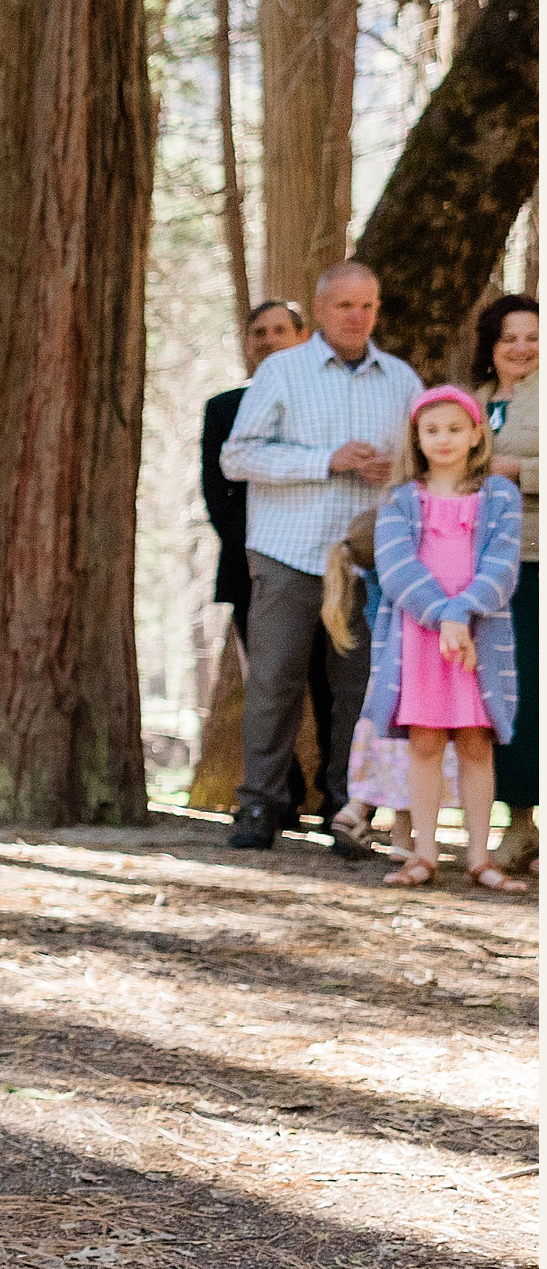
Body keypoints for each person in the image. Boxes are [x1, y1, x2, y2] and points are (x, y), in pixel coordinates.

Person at [221, 260, 423, 850]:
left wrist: (397, 471)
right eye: (344, 306)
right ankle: (259, 805)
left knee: (357, 689)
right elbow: (237, 458)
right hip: (288, 551)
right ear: (322, 309)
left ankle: (347, 808)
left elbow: (424, 459)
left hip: (367, 559)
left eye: (368, 306)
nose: (357, 317)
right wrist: (325, 460)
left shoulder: (402, 381)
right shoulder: (282, 372)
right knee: (275, 683)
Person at [364, 386, 524, 891]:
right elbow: (395, 567)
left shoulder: (500, 495)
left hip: (480, 636)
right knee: (426, 742)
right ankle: (423, 853)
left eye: (456, 429)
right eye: (432, 430)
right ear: (417, 436)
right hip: (420, 638)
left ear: (477, 433)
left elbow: (503, 564)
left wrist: (463, 613)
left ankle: (479, 856)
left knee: (478, 744)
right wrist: (443, 616)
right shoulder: (399, 499)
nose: (445, 439)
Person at [201, 300, 327, 831]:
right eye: (260, 332)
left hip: (329, 559)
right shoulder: (225, 407)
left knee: (330, 683)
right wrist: (257, 550)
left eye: (281, 330)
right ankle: (277, 797)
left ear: (303, 337)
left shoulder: (324, 402)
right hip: (253, 566)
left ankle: (339, 799)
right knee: (270, 685)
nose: (270, 339)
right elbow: (217, 490)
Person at [323, 509, 457, 856]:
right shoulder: (403, 583)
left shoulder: (370, 577)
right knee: (413, 756)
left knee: (389, 756)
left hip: (381, 693)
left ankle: (357, 810)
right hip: (412, 682)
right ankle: (400, 837)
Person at [472, 293, 538, 871]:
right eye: (509, 337)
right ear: (490, 346)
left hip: (539, 561)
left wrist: (523, 471)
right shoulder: (470, 403)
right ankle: (518, 823)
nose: (521, 348)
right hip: (486, 572)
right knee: (504, 698)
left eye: (532, 336)